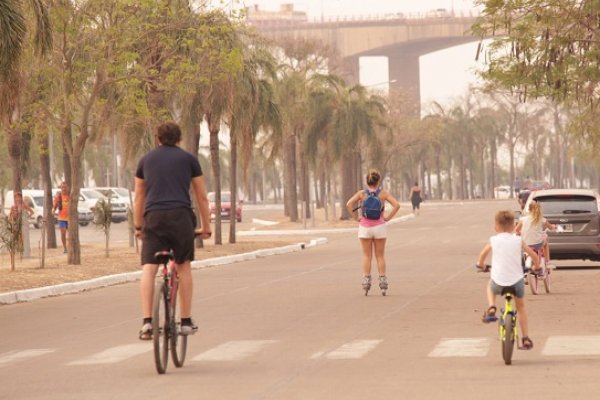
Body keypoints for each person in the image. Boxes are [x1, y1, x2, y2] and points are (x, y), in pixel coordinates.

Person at [134, 121, 212, 340]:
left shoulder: (145, 160)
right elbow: (202, 196)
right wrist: (206, 227)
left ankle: (147, 322)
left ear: (157, 138)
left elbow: (139, 196)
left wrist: (139, 226)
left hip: (154, 218)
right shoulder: (189, 160)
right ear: (179, 139)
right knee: (183, 266)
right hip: (180, 217)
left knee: (149, 268)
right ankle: (185, 321)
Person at [476, 210, 539, 350]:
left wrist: (481, 265)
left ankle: (492, 306)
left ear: (496, 227)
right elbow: (534, 256)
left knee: (490, 284)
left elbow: (482, 255)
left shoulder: (493, 240)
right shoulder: (518, 240)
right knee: (521, 307)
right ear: (514, 226)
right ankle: (526, 338)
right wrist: (536, 267)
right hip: (517, 282)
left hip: (498, 282)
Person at [346, 169, 400, 294]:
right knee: (380, 255)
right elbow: (396, 205)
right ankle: (382, 281)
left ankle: (366, 281)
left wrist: (356, 218)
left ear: (367, 181)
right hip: (379, 227)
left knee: (367, 255)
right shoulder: (383, 194)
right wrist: (387, 218)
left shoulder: (361, 194)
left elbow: (348, 204)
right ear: (378, 181)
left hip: (365, 228)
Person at [515, 200, 555, 269]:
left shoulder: (523, 219)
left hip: (526, 245)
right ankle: (547, 261)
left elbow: (516, 230)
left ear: (529, 209)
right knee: (545, 239)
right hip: (538, 244)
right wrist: (554, 226)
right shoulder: (542, 219)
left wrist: (520, 233)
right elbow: (551, 227)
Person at [52, 182, 70, 253]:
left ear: (67, 188)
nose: (64, 189)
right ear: (61, 188)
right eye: (62, 187)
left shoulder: (70, 196)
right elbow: (55, 206)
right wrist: (53, 210)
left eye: (65, 187)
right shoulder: (58, 197)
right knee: (63, 233)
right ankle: (65, 248)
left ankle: (70, 247)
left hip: (69, 218)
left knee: (70, 234)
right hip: (61, 218)